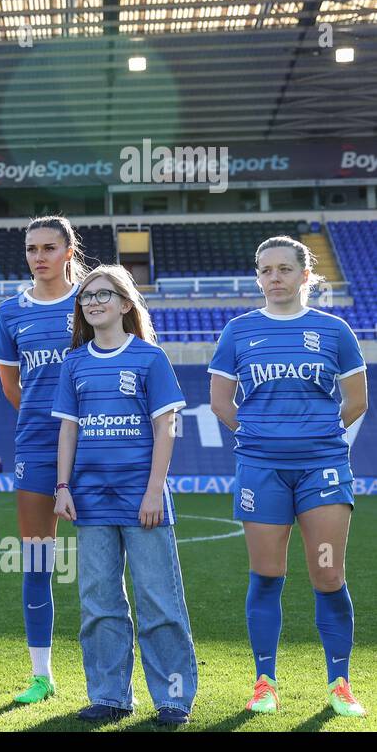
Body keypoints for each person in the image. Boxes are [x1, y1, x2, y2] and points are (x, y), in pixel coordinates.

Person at [209, 235, 368, 718]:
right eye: (265, 270)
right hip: (261, 471)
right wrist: (260, 436)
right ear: (257, 276)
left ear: (304, 274)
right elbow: (220, 402)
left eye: (283, 269)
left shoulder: (333, 330)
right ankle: (265, 682)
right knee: (267, 574)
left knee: (327, 573)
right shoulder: (238, 331)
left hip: (322, 469)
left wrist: (316, 435)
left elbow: (357, 400)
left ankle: (340, 683)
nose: (273, 278)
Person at [52, 265, 197, 726]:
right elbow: (68, 431)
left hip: (143, 500)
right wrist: (62, 487)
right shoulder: (74, 362)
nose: (93, 302)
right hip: (90, 500)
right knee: (99, 603)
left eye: (104, 295)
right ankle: (110, 696)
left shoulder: (150, 359)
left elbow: (166, 428)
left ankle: (173, 698)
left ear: (125, 303)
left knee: (160, 603)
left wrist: (155, 491)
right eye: (87, 296)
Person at [0, 215, 86, 704]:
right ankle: (42, 674)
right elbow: (11, 385)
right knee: (37, 562)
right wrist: (43, 419)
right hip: (35, 446)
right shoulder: (11, 313)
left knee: (104, 562)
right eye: (32, 248)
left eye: (50, 247)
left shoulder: (93, 302)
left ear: (69, 251)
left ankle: (108, 676)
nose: (39, 256)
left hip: (98, 445)